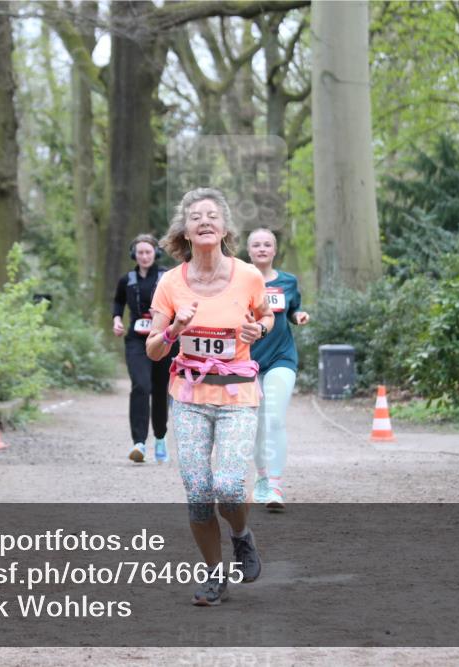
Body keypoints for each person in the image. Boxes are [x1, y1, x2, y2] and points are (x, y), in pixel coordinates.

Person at [146, 187, 274, 606]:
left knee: (231, 486)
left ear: (224, 228)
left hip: (237, 396)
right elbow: (153, 349)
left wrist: (261, 329)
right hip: (188, 397)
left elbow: (265, 315)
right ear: (184, 229)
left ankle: (241, 536)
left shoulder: (248, 276)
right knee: (199, 491)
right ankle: (214, 574)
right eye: (195, 216)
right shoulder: (169, 283)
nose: (204, 221)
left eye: (212, 215)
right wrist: (173, 330)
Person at [247, 228, 310, 511]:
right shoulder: (238, 280)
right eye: (256, 245)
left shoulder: (288, 281)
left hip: (281, 358)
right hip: (246, 360)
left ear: (274, 251)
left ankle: (274, 485)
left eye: (267, 244)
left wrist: (299, 315)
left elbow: (294, 310)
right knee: (255, 425)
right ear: (249, 251)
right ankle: (261, 478)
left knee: (273, 418)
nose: (262, 248)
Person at [112, 233, 176, 463]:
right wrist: (117, 319)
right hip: (136, 340)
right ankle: (138, 443)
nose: (144, 256)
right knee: (141, 385)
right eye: (140, 252)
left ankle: (160, 437)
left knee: (160, 390)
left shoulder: (167, 276)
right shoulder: (126, 279)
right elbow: (118, 301)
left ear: (155, 254)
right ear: (134, 255)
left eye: (148, 252)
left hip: (163, 338)